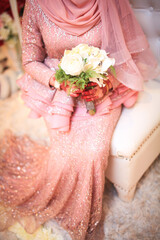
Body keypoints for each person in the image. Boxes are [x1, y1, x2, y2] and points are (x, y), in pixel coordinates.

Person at [0, 0, 159, 239]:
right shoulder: (36, 4)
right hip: (59, 93)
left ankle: (84, 216)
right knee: (64, 153)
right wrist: (60, 82)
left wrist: (106, 84)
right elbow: (30, 61)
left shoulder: (110, 2)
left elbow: (127, 54)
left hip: (102, 90)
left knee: (94, 151)